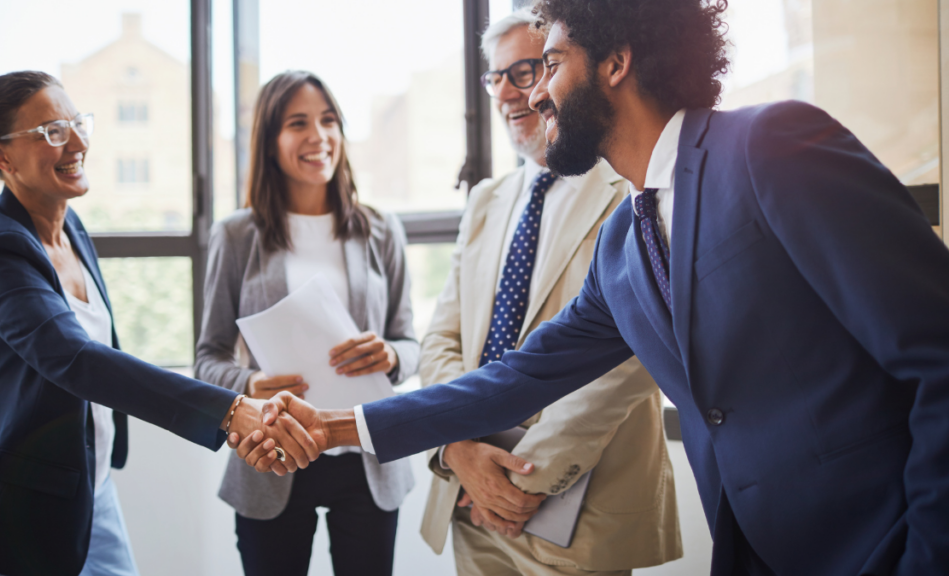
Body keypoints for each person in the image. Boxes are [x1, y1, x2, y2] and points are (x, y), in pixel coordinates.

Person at [237, 1, 949, 574]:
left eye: (548, 64)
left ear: (616, 60)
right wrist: (337, 427)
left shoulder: (771, 147)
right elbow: (515, 379)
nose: (534, 92)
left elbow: (938, 352)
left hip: (882, 541)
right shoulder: (623, 244)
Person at [0, 71, 318, 576]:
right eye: (52, 132)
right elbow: (76, 359)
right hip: (19, 495)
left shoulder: (66, 222)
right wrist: (229, 410)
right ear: (0, 155)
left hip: (84, 483)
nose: (77, 142)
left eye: (77, 123)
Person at [417, 10, 680, 576]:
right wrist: (460, 451)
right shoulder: (487, 200)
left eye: (528, 69)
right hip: (470, 502)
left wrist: (517, 475)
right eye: (497, 77)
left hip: (577, 512)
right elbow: (442, 339)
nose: (512, 93)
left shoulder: (628, 185)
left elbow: (633, 355)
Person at [195, 70, 417, 576]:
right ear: (271, 142)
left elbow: (409, 340)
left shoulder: (381, 229)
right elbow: (207, 358)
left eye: (329, 120)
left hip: (366, 456)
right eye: (299, 123)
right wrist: (248, 383)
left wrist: (394, 354)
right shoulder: (235, 235)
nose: (319, 136)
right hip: (272, 458)